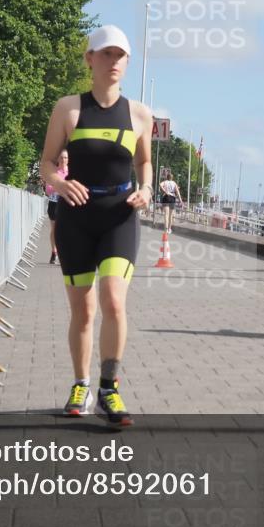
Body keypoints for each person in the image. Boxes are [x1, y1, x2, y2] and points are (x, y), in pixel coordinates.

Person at [39, 25, 153, 426]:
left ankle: (110, 388)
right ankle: (80, 384)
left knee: (114, 301)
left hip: (119, 215)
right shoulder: (68, 108)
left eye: (120, 55)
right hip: (77, 217)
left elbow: (143, 161)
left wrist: (147, 188)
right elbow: (47, 162)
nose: (114, 62)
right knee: (83, 312)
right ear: (89, 59)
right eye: (105, 54)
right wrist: (60, 183)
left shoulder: (139, 113)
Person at [43, 150, 69, 264]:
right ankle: (54, 252)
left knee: (66, 229)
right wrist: (58, 185)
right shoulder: (53, 172)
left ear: (68, 160)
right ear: (58, 159)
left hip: (67, 203)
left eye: (65, 158)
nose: (63, 160)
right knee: (55, 229)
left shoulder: (72, 173)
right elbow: (48, 190)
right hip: (54, 203)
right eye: (61, 158)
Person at [158, 169, 183, 233]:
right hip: (172, 198)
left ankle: (166, 229)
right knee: (171, 215)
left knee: (166, 214)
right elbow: (178, 192)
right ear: (172, 178)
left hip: (166, 197)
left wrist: (164, 191)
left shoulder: (165, 182)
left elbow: (160, 184)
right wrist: (180, 201)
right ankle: (169, 229)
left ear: (167, 177)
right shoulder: (174, 183)